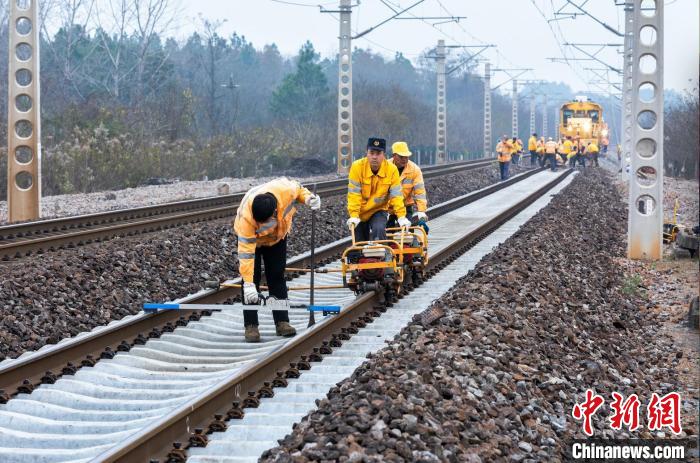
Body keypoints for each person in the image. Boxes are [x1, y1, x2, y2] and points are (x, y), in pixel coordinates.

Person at [233, 177, 321, 342]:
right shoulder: (247, 220)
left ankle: (282, 322)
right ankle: (251, 326)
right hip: (253, 243)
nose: (261, 225)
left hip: (277, 238)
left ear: (274, 211)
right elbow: (246, 255)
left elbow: (300, 189)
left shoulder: (285, 190)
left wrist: (309, 198)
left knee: (276, 276)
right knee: (252, 279)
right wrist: (249, 284)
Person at [347, 137, 410, 243]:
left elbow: (396, 195)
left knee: (379, 230)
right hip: (360, 211)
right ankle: (358, 257)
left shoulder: (391, 170)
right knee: (358, 243)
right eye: (371, 153)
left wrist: (401, 217)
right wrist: (354, 215)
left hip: (378, 210)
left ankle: (381, 256)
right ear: (366, 153)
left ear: (384, 154)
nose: (374, 157)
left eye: (378, 153)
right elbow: (354, 194)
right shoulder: (357, 167)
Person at [387, 141, 428, 230]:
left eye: (407, 157)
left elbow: (420, 192)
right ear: (394, 155)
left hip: (405, 207)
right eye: (401, 157)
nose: (404, 159)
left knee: (406, 234)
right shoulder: (385, 167)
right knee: (385, 234)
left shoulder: (414, 170)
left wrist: (421, 212)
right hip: (387, 208)